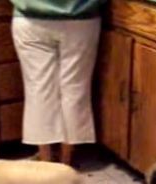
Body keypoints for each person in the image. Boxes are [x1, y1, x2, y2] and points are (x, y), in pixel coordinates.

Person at [10, 0, 105, 164]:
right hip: (81, 19)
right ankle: (66, 161)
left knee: (39, 90)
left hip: (31, 18)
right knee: (74, 89)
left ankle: (46, 162)